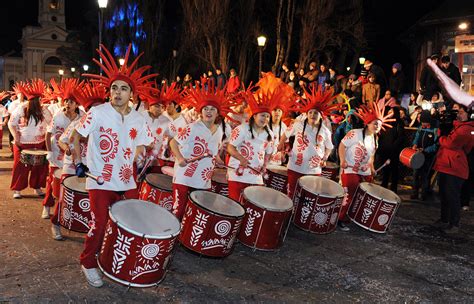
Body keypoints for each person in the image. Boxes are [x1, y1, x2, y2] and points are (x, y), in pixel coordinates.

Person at [72, 44, 154, 287]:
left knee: (129, 223)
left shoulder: (140, 118)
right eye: (114, 88)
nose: (118, 92)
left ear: (132, 94)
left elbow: (142, 144)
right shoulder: (97, 112)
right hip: (99, 178)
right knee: (99, 224)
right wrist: (78, 161)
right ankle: (87, 262)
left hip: (127, 180)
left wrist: (138, 154)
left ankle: (114, 259)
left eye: (123, 89)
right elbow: (76, 136)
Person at [50, 81, 107, 241]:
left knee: (92, 203)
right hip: (71, 166)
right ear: (88, 110)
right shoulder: (78, 123)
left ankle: (90, 230)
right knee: (64, 200)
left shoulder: (107, 128)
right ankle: (56, 223)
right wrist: (66, 148)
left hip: (92, 170)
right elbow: (62, 140)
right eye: (93, 109)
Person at [169, 86, 233, 219]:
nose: (209, 112)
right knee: (178, 211)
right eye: (206, 109)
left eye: (212, 109)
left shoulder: (219, 131)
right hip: (185, 176)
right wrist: (180, 158)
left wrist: (218, 160)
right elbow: (173, 143)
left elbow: (212, 151)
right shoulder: (192, 128)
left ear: (217, 113)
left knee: (198, 212)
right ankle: (171, 237)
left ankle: (186, 239)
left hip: (203, 179)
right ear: (201, 112)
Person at [337, 102, 395, 231]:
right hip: (350, 168)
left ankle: (356, 216)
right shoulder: (354, 133)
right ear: (367, 123)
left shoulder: (375, 139)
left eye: (379, 125)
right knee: (350, 194)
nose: (377, 126)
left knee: (366, 194)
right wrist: (342, 160)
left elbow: (371, 155)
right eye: (374, 123)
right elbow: (342, 145)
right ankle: (341, 219)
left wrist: (372, 167)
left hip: (364, 170)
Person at [278, 87, 340, 199]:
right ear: (306, 114)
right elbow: (285, 135)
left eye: (316, 113)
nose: (312, 115)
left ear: (321, 115)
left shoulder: (325, 130)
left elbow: (329, 147)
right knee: (292, 194)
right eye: (310, 112)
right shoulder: (298, 124)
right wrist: (281, 145)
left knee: (309, 197)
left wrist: (325, 157)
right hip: (295, 167)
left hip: (314, 169)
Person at [42, 78, 83, 219]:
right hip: (56, 155)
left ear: (77, 104)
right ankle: (47, 206)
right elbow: (48, 135)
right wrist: (49, 152)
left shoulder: (82, 117)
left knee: (67, 185)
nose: (67, 104)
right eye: (66, 101)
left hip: (72, 158)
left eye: (71, 101)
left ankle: (67, 214)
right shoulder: (58, 116)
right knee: (52, 181)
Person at [226, 88, 276, 202]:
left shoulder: (270, 134)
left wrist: (265, 165)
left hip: (256, 177)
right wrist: (241, 158)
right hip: (238, 173)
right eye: (262, 115)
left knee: (251, 209)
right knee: (235, 206)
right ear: (254, 116)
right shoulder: (242, 129)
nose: (265, 119)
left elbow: (268, 153)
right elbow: (230, 147)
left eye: (268, 116)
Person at [432, 102, 473, 234]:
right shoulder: (457, 126)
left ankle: (454, 224)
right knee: (443, 194)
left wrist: (441, 137)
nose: (458, 114)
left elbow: (451, 143)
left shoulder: (467, 129)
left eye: (461, 112)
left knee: (452, 196)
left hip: (455, 168)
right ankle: (444, 219)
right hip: (446, 164)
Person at [8, 79, 52, 199]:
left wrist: (48, 136)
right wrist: (16, 136)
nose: (40, 101)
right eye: (39, 99)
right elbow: (11, 124)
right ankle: (17, 189)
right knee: (20, 167)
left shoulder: (44, 110)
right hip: (22, 143)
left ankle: (37, 188)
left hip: (39, 143)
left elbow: (51, 124)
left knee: (39, 167)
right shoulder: (21, 109)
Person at [377, 106, 406, 193]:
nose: (389, 114)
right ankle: (384, 185)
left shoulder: (399, 123)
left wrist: (394, 146)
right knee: (385, 169)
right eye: (388, 112)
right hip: (384, 150)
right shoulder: (384, 122)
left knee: (394, 170)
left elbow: (401, 137)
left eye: (391, 112)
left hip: (393, 151)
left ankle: (393, 188)